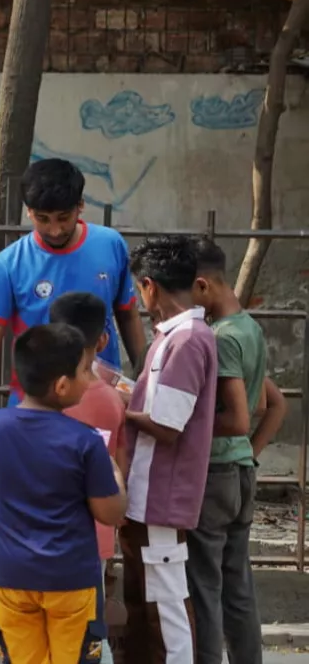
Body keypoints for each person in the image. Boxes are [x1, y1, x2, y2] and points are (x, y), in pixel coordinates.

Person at [0, 323, 126, 664]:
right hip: (72, 580)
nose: (88, 378)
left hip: (10, 578)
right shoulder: (86, 441)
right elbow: (111, 513)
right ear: (62, 386)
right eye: (84, 370)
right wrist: (116, 475)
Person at [0, 158, 147, 406]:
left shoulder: (111, 245)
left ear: (80, 206)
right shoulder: (8, 264)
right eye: (43, 219)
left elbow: (128, 316)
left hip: (100, 402)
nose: (55, 230)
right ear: (28, 211)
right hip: (35, 406)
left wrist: (146, 384)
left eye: (63, 217)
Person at [186, 237, 287, 664]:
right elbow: (268, 405)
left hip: (215, 474)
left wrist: (184, 429)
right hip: (241, 471)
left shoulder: (220, 337)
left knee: (205, 587)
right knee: (238, 584)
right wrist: (250, 454)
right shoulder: (250, 328)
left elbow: (241, 417)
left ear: (203, 285)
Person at [121, 235, 217, 664]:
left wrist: (123, 406)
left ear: (149, 286)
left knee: (166, 605)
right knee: (148, 602)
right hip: (149, 496)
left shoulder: (186, 340)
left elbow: (166, 425)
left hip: (162, 496)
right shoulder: (176, 337)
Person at [50, 291, 127, 664]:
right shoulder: (112, 399)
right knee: (89, 632)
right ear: (103, 340)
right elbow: (120, 466)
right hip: (95, 530)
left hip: (42, 532)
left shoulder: (46, 395)